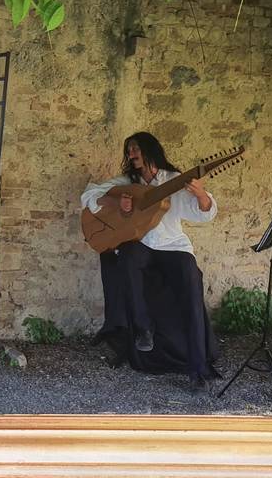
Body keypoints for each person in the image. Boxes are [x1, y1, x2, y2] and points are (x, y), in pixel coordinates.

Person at [80, 132, 220, 392]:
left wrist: (201, 194)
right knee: (128, 258)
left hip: (172, 245)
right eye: (129, 150)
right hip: (142, 244)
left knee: (190, 278)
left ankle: (197, 367)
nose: (131, 153)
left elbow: (205, 214)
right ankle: (144, 329)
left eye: (135, 148)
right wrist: (115, 201)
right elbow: (89, 195)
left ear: (149, 150)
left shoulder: (174, 180)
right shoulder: (126, 182)